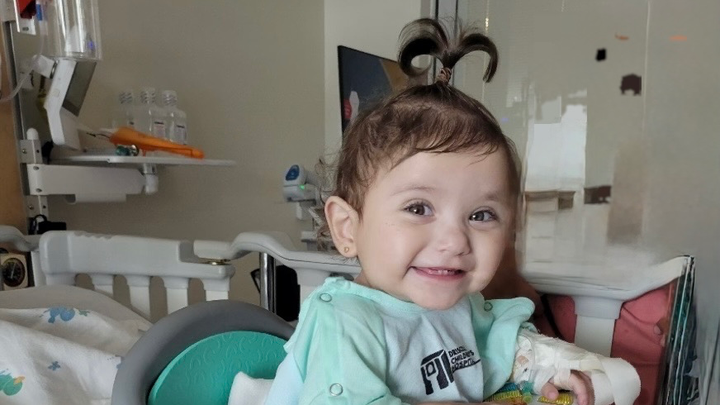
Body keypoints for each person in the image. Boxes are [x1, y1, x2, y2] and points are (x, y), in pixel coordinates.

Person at [261, 18, 634, 405]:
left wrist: (544, 374)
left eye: (481, 215)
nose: (455, 240)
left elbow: (501, 354)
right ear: (347, 228)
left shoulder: (463, 307)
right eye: (418, 207)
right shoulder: (346, 321)